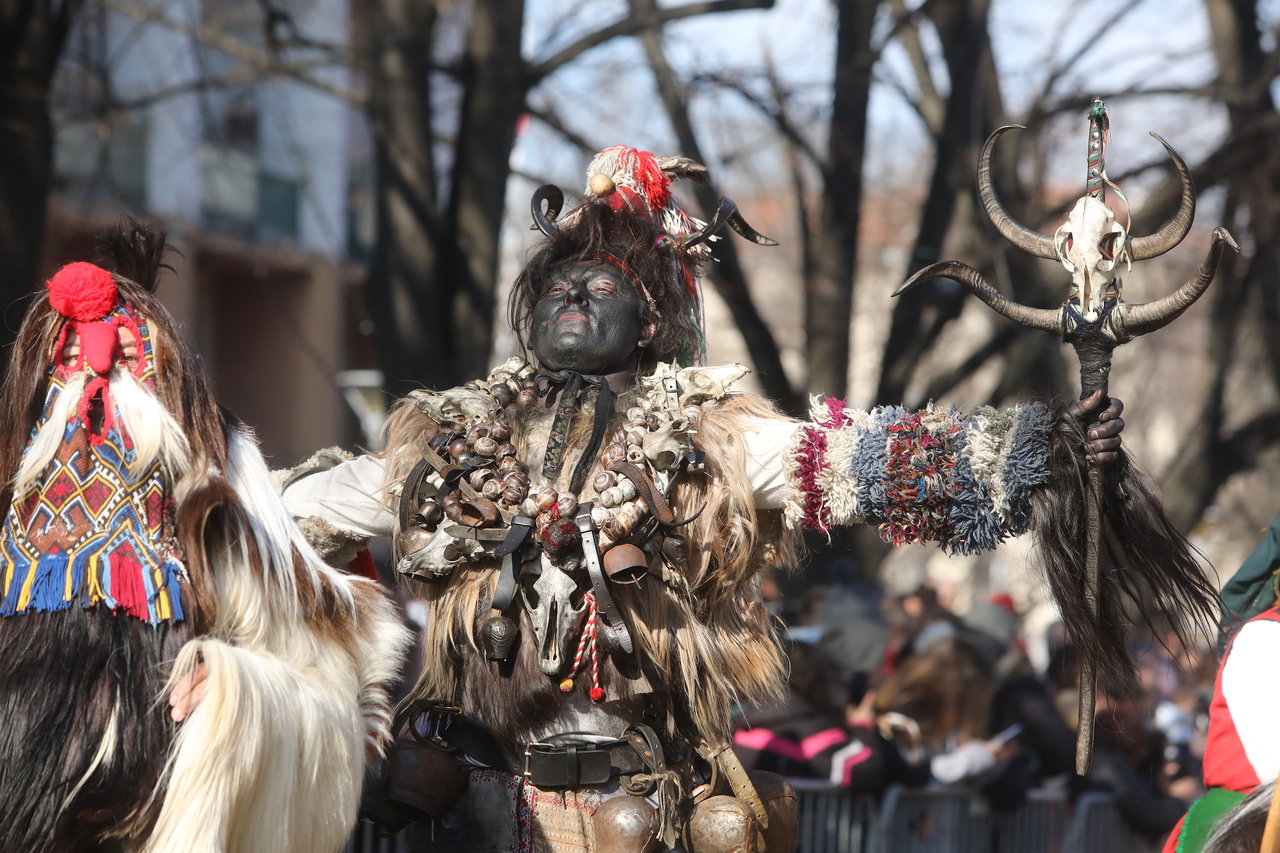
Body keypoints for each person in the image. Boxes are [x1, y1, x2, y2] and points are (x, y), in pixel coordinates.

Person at [281, 145, 1206, 853]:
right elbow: (313, 504)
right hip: (474, 806)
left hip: (637, 810)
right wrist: (195, 488)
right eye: (558, 281)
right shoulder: (448, 437)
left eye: (599, 282)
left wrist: (1036, 450)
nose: (572, 293)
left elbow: (849, 460)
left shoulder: (710, 435)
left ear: (648, 316)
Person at [0, 222, 408, 853]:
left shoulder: (222, 483)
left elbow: (327, 680)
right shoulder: (18, 482)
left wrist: (233, 688)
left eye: (127, 355)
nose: (97, 374)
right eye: (73, 359)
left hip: (157, 792)